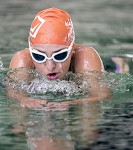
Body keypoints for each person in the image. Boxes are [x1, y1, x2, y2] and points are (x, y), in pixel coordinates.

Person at [8, 7, 111, 108]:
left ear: (72, 49)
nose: (50, 66)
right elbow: (12, 93)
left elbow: (102, 95)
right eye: (39, 56)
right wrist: (23, 99)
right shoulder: (22, 60)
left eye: (60, 55)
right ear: (31, 52)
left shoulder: (86, 58)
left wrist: (72, 103)